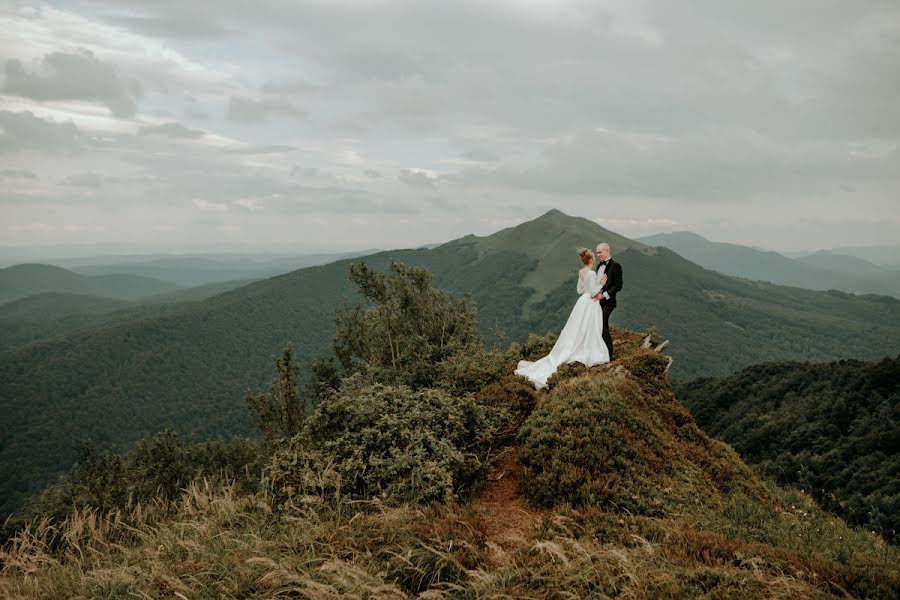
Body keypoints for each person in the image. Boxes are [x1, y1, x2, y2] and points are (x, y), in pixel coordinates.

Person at [514, 247, 610, 389]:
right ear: (591, 259)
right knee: (589, 327)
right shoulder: (591, 273)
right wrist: (601, 283)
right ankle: (587, 349)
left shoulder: (581, 272)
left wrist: (592, 288)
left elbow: (580, 290)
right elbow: (593, 292)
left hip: (581, 302)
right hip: (590, 303)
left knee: (577, 328)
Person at [591, 242, 623, 360]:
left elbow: (618, 286)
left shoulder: (616, 266)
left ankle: (609, 354)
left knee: (602, 323)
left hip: (609, 302)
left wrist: (603, 295)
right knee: (598, 325)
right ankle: (600, 351)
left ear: (607, 251)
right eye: (597, 252)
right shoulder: (599, 267)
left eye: (599, 252)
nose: (598, 254)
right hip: (597, 302)